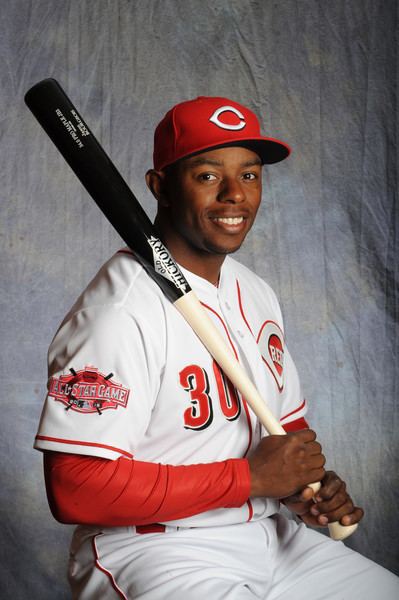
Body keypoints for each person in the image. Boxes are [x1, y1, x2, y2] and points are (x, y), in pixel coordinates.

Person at [35, 96, 399, 599]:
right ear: (160, 187)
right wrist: (250, 479)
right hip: (157, 549)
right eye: (208, 176)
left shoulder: (254, 290)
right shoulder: (117, 311)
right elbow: (75, 488)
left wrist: (302, 486)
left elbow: (284, 428)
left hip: (273, 536)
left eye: (249, 176)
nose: (235, 196)